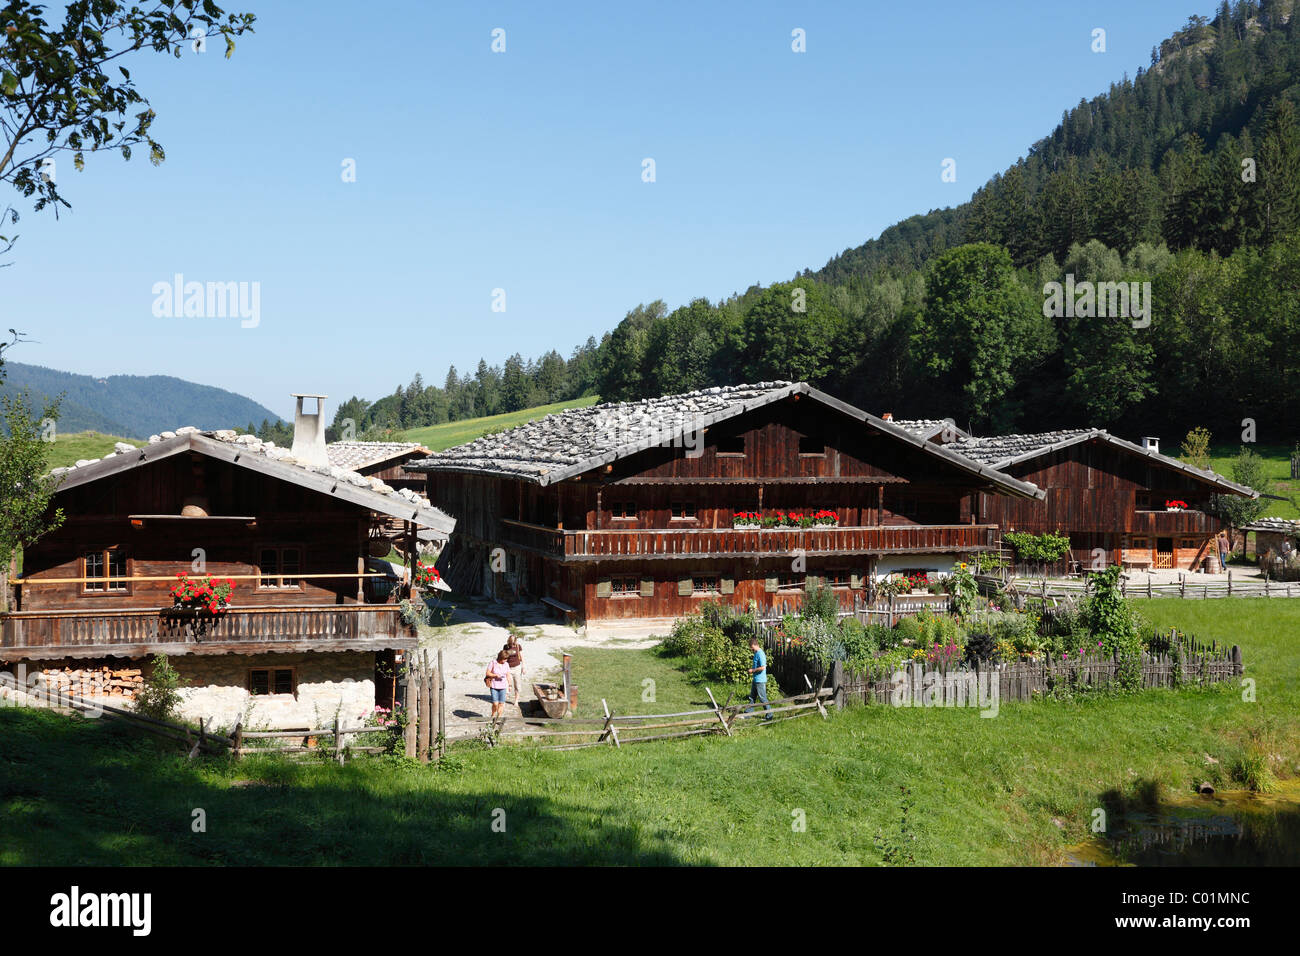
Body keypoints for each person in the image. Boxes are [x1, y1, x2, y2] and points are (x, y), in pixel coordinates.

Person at [746, 638, 772, 721]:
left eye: (751, 647)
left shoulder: (760, 653)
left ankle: (769, 716)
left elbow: (763, 667)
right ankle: (748, 714)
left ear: (754, 645)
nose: (751, 649)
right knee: (752, 697)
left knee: (762, 698)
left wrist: (752, 670)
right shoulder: (756, 653)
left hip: (760, 680)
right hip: (756, 679)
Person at [484, 649, 511, 721]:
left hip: (503, 686)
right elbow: (487, 673)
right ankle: (493, 714)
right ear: (500, 657)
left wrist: (510, 685)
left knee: (501, 704)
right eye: (504, 659)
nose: (505, 660)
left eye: (506, 659)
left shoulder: (506, 664)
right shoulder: (493, 663)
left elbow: (508, 675)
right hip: (494, 686)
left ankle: (497, 718)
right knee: (495, 703)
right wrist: (495, 675)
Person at [504, 635, 525, 703]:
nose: (512, 642)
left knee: (517, 684)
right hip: (508, 668)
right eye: (511, 641)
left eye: (513, 641)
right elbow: (503, 656)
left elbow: (521, 657)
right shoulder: (506, 646)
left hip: (517, 667)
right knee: (506, 684)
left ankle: (516, 701)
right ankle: (504, 698)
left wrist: (523, 667)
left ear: (515, 640)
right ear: (509, 640)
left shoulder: (518, 646)